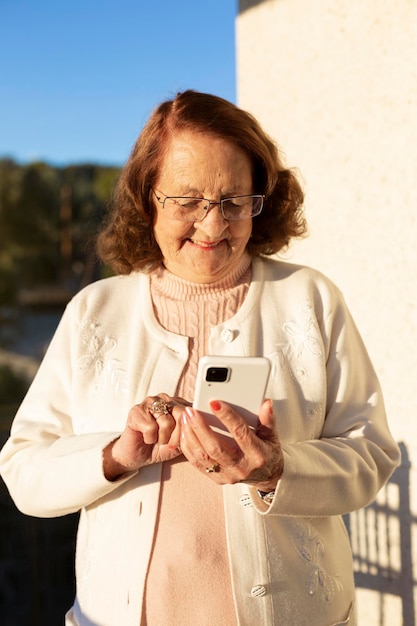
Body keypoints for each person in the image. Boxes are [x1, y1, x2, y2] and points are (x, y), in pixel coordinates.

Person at [0, 90, 400, 626]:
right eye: (187, 202)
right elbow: (24, 471)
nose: (213, 227)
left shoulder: (311, 299)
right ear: (147, 201)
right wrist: (116, 455)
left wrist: (278, 471)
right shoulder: (94, 310)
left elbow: (371, 454)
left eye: (234, 202)